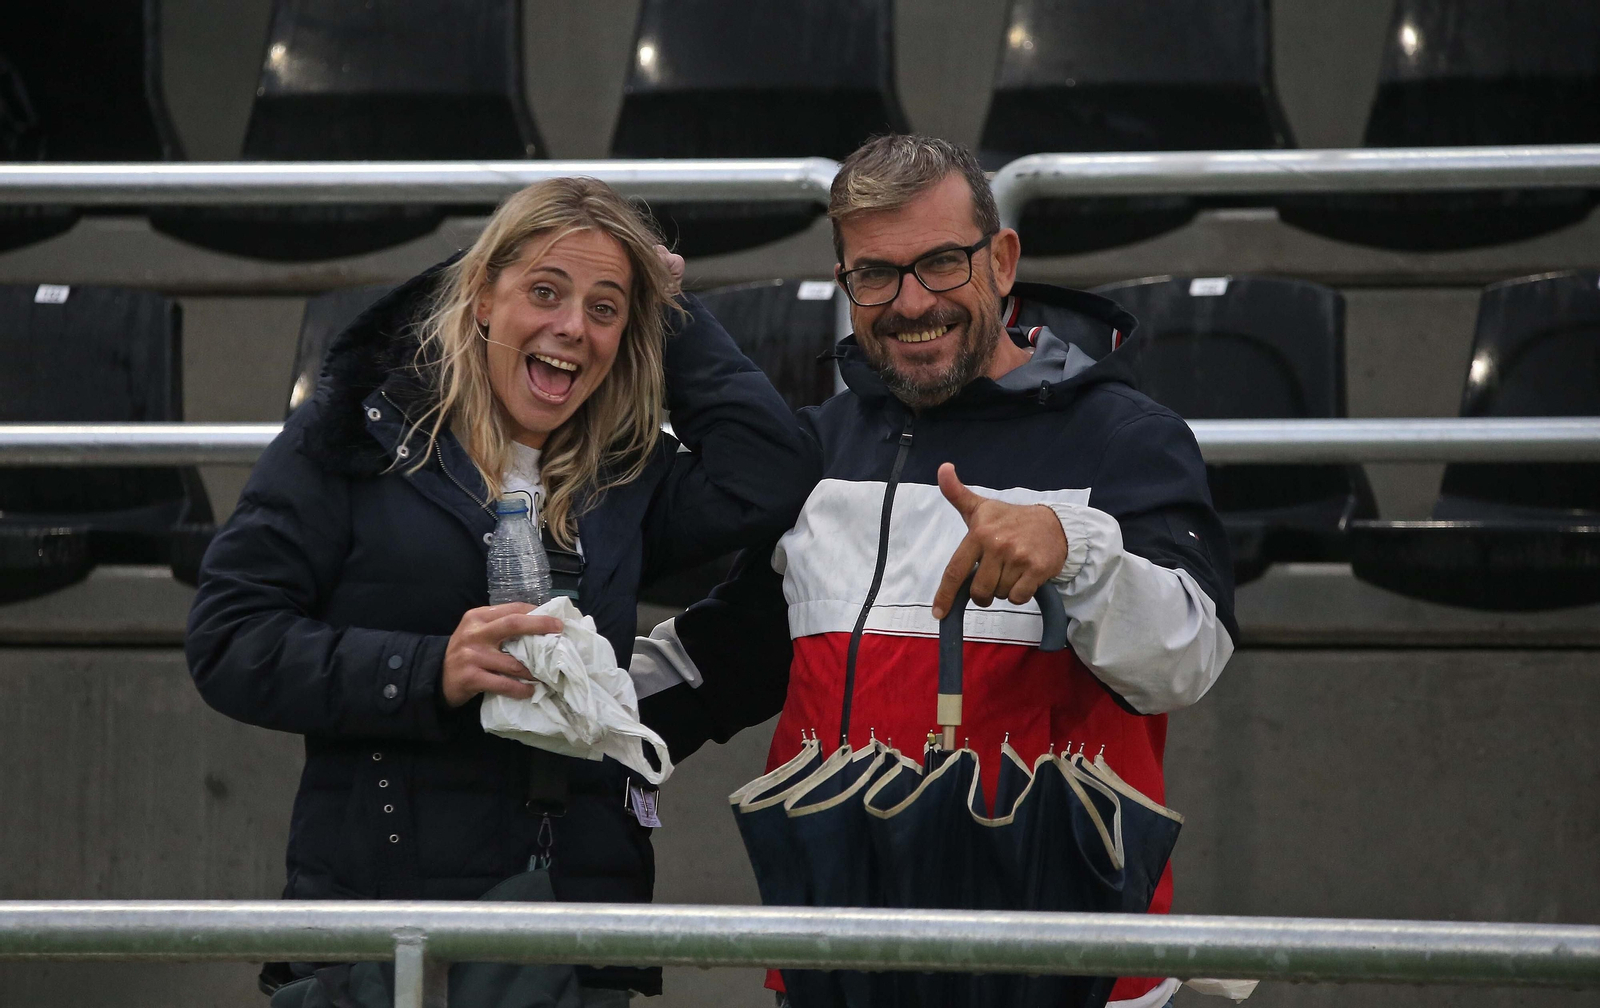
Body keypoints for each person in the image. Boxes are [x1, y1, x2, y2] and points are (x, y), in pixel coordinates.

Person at [633, 135, 1238, 1008]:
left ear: (1001, 261)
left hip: (1068, 983)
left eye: (941, 264)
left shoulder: (1124, 437)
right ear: (845, 282)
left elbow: (1184, 660)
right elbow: (726, 665)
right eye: (875, 274)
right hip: (837, 975)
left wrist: (1074, 545)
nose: (910, 303)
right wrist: (560, 705)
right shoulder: (819, 449)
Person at [185, 177, 819, 1006]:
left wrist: (671, 309)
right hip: (380, 928)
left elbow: (769, 473)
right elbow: (230, 639)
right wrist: (427, 672)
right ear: (483, 296)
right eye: (545, 291)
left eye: (605, 308)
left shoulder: (625, 471)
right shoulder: (358, 436)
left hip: (572, 931)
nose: (571, 329)